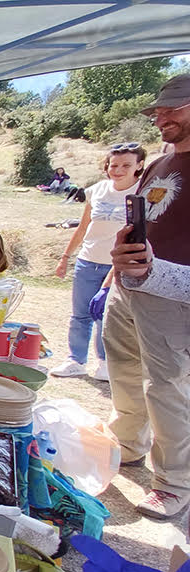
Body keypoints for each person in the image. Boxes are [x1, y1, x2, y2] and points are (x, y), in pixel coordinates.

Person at [103, 73, 190, 519]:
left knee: (168, 387)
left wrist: (159, 273)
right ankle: (128, 442)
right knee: (124, 370)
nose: (160, 116)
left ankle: (174, 481)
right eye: (158, 109)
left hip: (174, 299)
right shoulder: (159, 164)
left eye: (173, 108)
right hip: (129, 287)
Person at [52, 143, 147, 380]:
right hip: (88, 260)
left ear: (139, 165)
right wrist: (65, 257)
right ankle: (75, 360)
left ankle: (105, 362)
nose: (118, 170)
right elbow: (84, 227)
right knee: (80, 314)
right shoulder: (97, 191)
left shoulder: (142, 193)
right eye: (114, 165)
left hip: (120, 265)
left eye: (126, 165)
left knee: (107, 315)